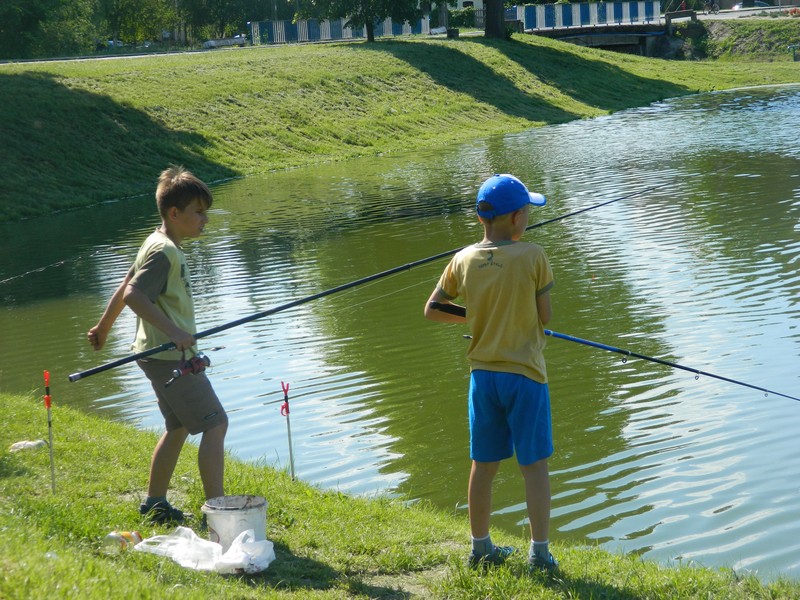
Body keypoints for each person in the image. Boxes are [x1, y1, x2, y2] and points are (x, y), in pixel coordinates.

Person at [423, 174, 557, 572]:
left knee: (482, 465)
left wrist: (477, 314)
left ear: (483, 218)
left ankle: (480, 548)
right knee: (534, 466)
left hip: (483, 378)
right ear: (515, 218)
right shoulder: (533, 255)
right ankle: (540, 554)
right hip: (526, 376)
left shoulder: (464, 259)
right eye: (527, 212)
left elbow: (433, 309)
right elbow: (545, 316)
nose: (528, 218)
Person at [87, 166, 227, 524]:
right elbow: (134, 294)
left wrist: (104, 327)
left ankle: (155, 504)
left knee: (178, 427)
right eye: (198, 212)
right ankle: (219, 512)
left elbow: (126, 282)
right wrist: (176, 333)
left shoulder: (156, 242)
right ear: (174, 213)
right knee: (215, 423)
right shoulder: (165, 252)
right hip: (168, 355)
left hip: (157, 354)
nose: (205, 219)